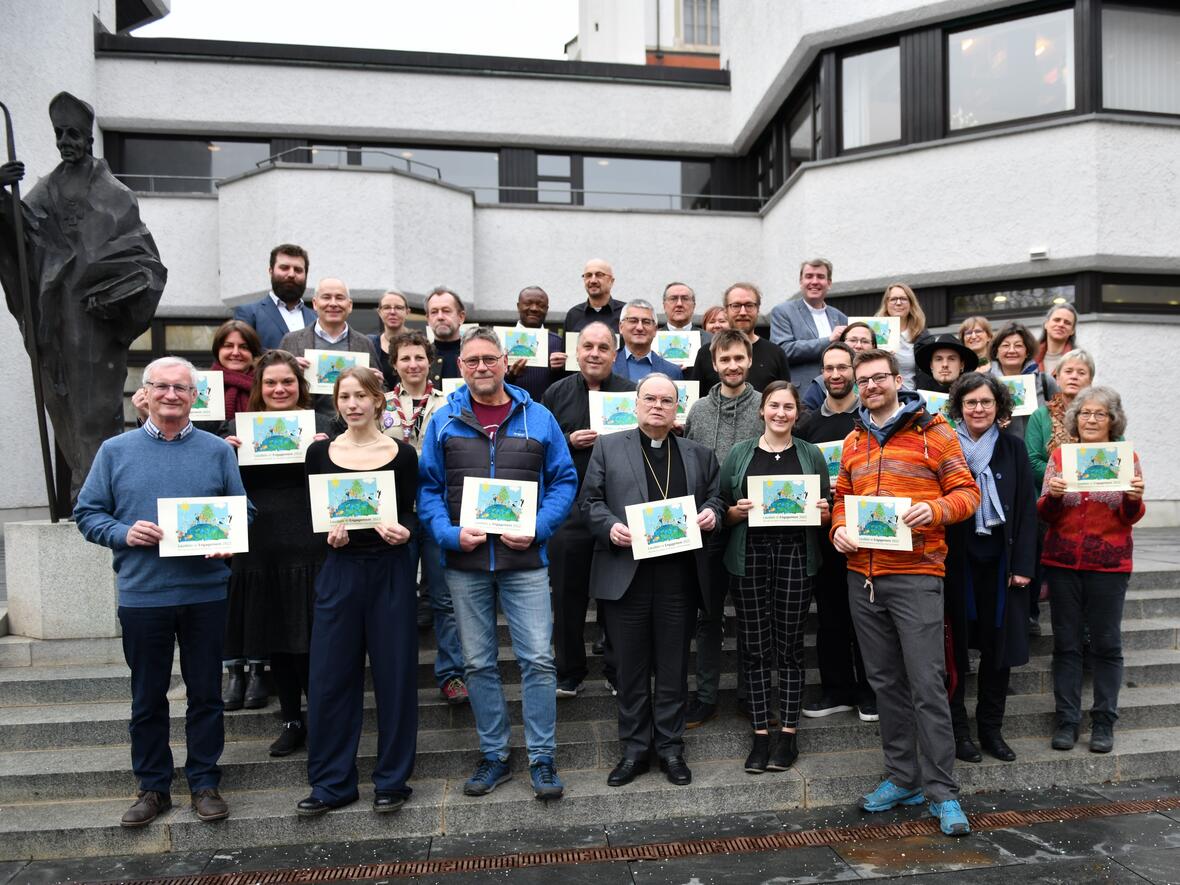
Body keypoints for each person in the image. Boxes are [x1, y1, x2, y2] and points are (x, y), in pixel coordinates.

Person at [74, 356, 252, 828]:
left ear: (195, 397)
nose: (171, 395)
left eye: (181, 388)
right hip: (143, 595)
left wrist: (228, 542)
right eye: (162, 387)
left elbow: (244, 510)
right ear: (145, 393)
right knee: (147, 696)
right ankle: (153, 787)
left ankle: (204, 782)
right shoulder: (114, 450)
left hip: (205, 593)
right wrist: (123, 533)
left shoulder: (217, 451)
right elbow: (87, 514)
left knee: (206, 694)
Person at [418, 328, 578, 800]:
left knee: (539, 660)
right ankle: (494, 754)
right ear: (459, 366)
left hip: (525, 559)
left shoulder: (540, 417)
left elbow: (564, 482)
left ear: (506, 362)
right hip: (465, 563)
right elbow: (426, 490)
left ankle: (542, 757)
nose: (482, 367)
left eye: (490, 359)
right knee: (478, 663)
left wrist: (538, 527)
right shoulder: (444, 420)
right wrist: (448, 535)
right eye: (472, 361)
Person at [830, 348, 979, 837]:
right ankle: (903, 778)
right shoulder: (853, 441)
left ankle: (944, 793)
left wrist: (934, 512)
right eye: (863, 380)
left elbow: (967, 494)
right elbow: (840, 502)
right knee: (885, 684)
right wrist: (837, 531)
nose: (871, 386)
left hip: (916, 574)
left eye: (879, 378)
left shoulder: (935, 433)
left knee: (927, 685)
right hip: (864, 577)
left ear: (897, 380)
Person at [0, 92, 165, 504]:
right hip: (54, 314)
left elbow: (143, 258)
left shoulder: (114, 193)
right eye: (60, 134)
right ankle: (84, 490)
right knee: (62, 407)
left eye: (73, 134)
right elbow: (23, 238)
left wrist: (115, 292)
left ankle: (94, 495)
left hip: (95, 322)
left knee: (95, 410)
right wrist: (2, 196)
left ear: (89, 138)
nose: (65, 141)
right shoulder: (46, 188)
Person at [580, 374, 724, 788]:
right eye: (650, 399)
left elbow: (716, 497)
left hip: (678, 579)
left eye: (666, 400)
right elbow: (588, 502)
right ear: (636, 404)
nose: (658, 406)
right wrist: (609, 527)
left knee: (674, 668)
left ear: (677, 407)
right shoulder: (609, 446)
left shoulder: (699, 454)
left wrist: (712, 513)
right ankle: (634, 749)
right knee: (630, 668)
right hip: (628, 577)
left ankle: (670, 748)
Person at [297, 368, 419, 816]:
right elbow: (312, 519)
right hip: (340, 569)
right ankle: (331, 783)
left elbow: (411, 513)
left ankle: (392, 780)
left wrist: (405, 532)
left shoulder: (403, 455)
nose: (352, 404)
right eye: (344, 396)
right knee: (330, 678)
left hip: (390, 571)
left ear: (378, 401)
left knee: (396, 676)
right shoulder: (318, 454)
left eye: (360, 396)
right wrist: (328, 537)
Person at [719, 381, 831, 773]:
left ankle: (788, 733)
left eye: (788, 407)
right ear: (762, 410)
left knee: (790, 645)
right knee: (753, 646)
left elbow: (829, 507)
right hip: (749, 557)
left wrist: (825, 511)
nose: (780, 413)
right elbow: (721, 505)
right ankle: (760, 733)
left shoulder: (811, 454)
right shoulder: (738, 454)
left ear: (797, 413)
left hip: (796, 556)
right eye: (773, 406)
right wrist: (736, 511)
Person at [222, 351, 326, 755]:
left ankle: (319, 718)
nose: (280, 389)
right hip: (258, 547)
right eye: (271, 383)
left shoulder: (321, 427)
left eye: (287, 382)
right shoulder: (234, 430)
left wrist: (326, 453)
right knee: (277, 641)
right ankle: (290, 720)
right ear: (258, 388)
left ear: (300, 387)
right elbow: (219, 488)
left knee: (312, 641)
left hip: (311, 546)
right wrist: (224, 453)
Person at [1040, 386, 1145, 755]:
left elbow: (1130, 517)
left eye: (1100, 413)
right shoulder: (1060, 457)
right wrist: (1052, 496)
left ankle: (1104, 722)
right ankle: (1067, 722)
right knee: (1066, 645)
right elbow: (1045, 513)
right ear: (1075, 418)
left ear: (1112, 420)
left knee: (1106, 645)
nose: (1091, 419)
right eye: (1085, 413)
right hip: (1063, 562)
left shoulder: (1125, 457)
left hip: (1109, 564)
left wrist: (1134, 500)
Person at [942, 373, 1037, 765]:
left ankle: (991, 731)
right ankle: (959, 733)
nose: (978, 409)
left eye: (985, 402)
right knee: (955, 653)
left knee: (999, 651)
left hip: (1002, 563)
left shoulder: (1013, 448)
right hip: (955, 563)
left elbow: (1028, 511)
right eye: (970, 403)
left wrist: (1024, 565)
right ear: (958, 408)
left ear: (999, 406)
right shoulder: (945, 447)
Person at [543, 323, 632, 697]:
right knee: (566, 593)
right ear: (577, 352)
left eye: (603, 348)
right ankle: (569, 671)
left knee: (617, 594)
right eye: (588, 347)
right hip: (569, 508)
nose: (594, 353)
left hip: (619, 508)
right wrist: (568, 440)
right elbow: (537, 447)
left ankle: (616, 669)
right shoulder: (555, 393)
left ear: (615, 354)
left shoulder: (632, 393)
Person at [379, 331, 467, 706]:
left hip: (438, 509)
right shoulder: (378, 404)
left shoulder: (451, 402)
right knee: (396, 598)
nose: (413, 364)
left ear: (430, 361)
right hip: (394, 512)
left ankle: (451, 674)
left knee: (445, 597)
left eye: (419, 357)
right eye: (405, 358)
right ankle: (397, 672)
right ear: (394, 364)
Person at [683, 330, 764, 727]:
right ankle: (706, 696)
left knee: (752, 616)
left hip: (754, 527)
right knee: (708, 616)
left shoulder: (766, 406)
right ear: (714, 364)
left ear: (749, 361)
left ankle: (752, 694)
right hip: (707, 527)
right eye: (725, 359)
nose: (732, 366)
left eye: (739, 358)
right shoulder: (697, 410)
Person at [795, 343, 875, 721]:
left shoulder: (872, 420)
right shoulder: (807, 425)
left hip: (866, 532)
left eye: (843, 367)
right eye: (829, 368)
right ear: (821, 374)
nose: (836, 374)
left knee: (868, 615)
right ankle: (836, 689)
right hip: (824, 531)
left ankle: (870, 692)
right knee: (830, 614)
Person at [279, 278, 380, 433]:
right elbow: (273, 389)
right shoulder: (291, 341)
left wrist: (377, 382)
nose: (333, 303)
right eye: (326, 297)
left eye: (339, 298)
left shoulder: (365, 343)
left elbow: (380, 392)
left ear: (350, 305)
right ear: (314, 303)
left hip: (354, 428)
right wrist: (289, 373)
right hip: (308, 430)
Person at [692, 283, 791, 392]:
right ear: (726, 311)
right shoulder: (706, 353)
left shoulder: (776, 354)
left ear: (757, 309)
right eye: (736, 305)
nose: (743, 312)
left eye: (749, 305)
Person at [769, 259, 849, 390]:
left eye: (821, 277)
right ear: (801, 282)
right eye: (809, 276)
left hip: (838, 393)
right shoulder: (783, 312)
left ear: (829, 283)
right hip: (802, 394)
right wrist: (829, 340)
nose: (815, 281)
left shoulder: (839, 317)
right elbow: (782, 351)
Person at [1025, 349, 1097, 489]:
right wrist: (1069, 478)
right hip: (1051, 499)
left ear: (1090, 381)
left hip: (1094, 498)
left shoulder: (1102, 414)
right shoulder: (1040, 416)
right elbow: (1032, 461)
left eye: (1081, 373)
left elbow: (1117, 451)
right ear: (1057, 378)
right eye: (1068, 371)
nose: (1074, 377)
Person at [233, 244, 316, 350]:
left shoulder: (317, 319)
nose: (291, 274)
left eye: (298, 270)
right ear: (271, 271)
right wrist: (285, 360)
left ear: (306, 275)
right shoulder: (248, 314)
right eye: (284, 268)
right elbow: (243, 353)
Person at [988, 322, 1058, 439]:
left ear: (1027, 352)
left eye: (1018, 345)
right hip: (1000, 453)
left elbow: (1060, 416)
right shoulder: (984, 384)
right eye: (1005, 345)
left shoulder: (1045, 381)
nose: (1012, 350)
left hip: (1038, 455)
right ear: (996, 352)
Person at [504, 285, 566, 401]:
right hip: (511, 409)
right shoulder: (500, 340)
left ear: (547, 309)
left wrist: (559, 370)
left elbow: (566, 385)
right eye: (528, 303)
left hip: (546, 410)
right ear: (518, 306)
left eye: (540, 305)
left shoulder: (558, 343)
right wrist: (510, 376)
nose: (534, 308)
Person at [800, 322, 878, 411]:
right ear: (841, 343)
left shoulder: (882, 379)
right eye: (853, 340)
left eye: (865, 341)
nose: (858, 346)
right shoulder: (822, 383)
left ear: (874, 346)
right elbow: (806, 416)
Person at [874, 283, 932, 388]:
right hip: (881, 395)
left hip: (914, 398)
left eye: (903, 299)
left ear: (911, 304)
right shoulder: (874, 333)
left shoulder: (924, 338)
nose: (898, 303)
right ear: (886, 304)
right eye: (893, 299)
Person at [613, 299, 684, 382]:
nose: (639, 327)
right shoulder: (606, 366)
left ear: (655, 330)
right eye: (633, 321)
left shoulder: (672, 371)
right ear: (621, 327)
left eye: (646, 322)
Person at [565, 258, 626, 333]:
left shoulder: (625, 313)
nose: (593, 281)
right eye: (588, 275)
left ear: (611, 281)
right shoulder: (574, 315)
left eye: (599, 275)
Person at [425, 287, 467, 387]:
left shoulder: (476, 354)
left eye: (446, 311)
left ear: (461, 317)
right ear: (428, 319)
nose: (440, 317)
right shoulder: (421, 357)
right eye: (434, 312)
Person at [370, 289, 410, 389]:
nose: (392, 312)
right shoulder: (369, 344)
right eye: (387, 307)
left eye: (398, 308)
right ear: (379, 312)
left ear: (407, 312)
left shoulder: (419, 344)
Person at [913, 334, 979, 394]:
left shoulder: (974, 394)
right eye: (939, 359)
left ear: (961, 365)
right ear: (931, 365)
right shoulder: (917, 398)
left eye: (951, 359)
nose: (945, 364)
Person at [1035, 304, 1078, 376]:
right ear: (1046, 324)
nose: (1061, 324)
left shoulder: (1079, 360)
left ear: (1072, 331)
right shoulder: (1029, 358)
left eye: (1067, 323)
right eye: (1057, 320)